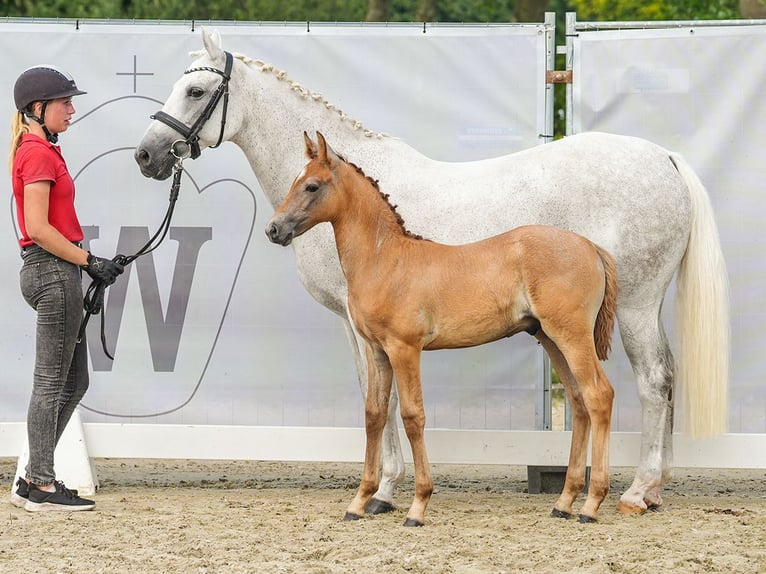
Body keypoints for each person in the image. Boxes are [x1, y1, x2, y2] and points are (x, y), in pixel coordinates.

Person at [7, 65, 124, 512]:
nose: (72, 109)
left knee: (74, 381)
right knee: (52, 382)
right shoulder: (36, 152)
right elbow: (37, 227)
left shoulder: (42, 150)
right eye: (64, 102)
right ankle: (40, 484)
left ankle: (36, 476)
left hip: (61, 270)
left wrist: (86, 263)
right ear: (38, 109)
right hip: (53, 271)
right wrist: (89, 261)